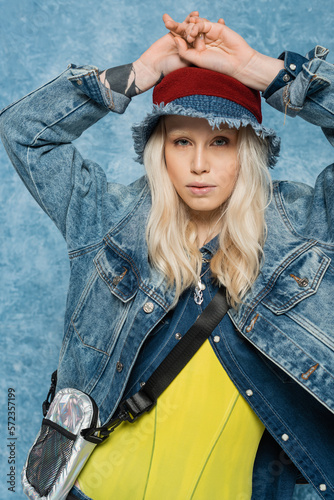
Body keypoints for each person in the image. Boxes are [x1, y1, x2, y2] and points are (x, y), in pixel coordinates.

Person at [1, 11, 334, 500]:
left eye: (220, 141)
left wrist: (263, 72)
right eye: (182, 141)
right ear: (160, 149)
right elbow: (24, 132)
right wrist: (140, 71)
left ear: (249, 150)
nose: (199, 164)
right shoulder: (108, 218)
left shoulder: (305, 227)